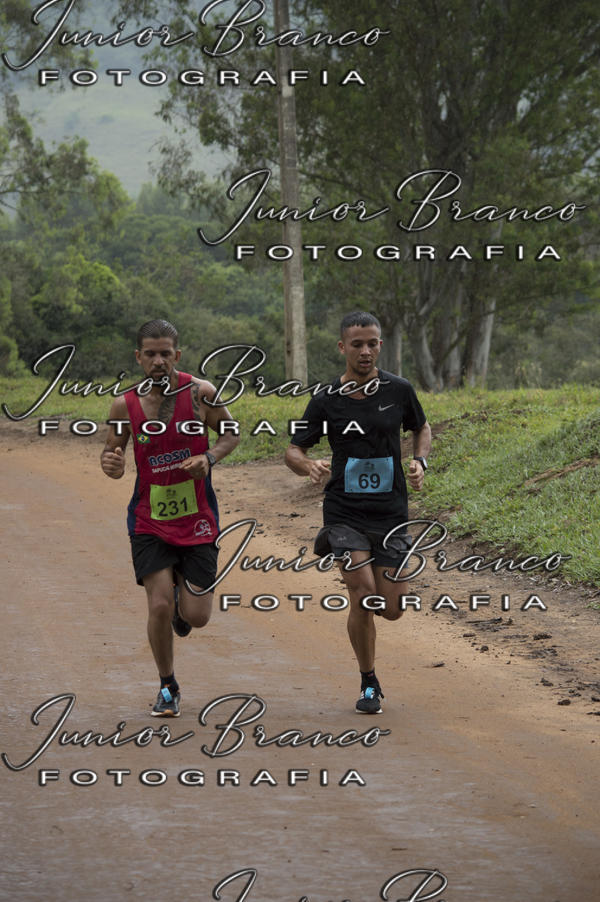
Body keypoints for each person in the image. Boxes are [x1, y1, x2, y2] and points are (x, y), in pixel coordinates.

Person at [285, 311, 431, 714]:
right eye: (357, 344)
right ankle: (368, 682)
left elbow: (421, 427)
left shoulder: (399, 391)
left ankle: (375, 627)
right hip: (344, 513)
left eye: (372, 343)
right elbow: (294, 449)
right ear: (342, 347)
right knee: (363, 594)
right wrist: (307, 465)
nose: (365, 351)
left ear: (380, 345)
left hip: (390, 513)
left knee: (393, 609)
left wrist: (420, 461)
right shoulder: (325, 400)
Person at [101, 319, 239, 717]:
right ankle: (167, 685)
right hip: (149, 519)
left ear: (177, 355)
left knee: (196, 616)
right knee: (158, 606)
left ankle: (184, 598)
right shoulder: (123, 405)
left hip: (197, 519)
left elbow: (231, 434)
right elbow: (113, 452)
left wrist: (209, 457)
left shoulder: (201, 393)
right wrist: (112, 462)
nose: (158, 360)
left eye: (166, 353)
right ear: (138, 358)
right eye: (150, 354)